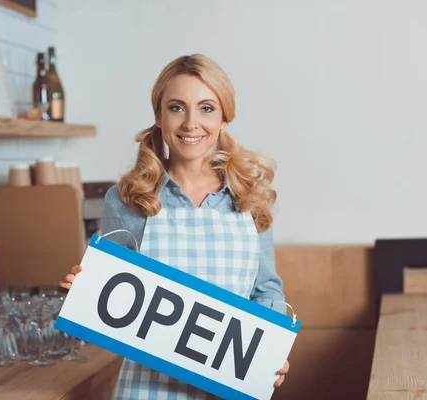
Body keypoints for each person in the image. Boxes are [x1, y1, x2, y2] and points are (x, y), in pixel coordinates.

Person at [60, 54, 289, 399]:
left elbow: (266, 292)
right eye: (177, 108)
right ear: (158, 115)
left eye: (207, 108)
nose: (191, 123)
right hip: (146, 390)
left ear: (225, 117)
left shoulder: (250, 198)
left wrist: (271, 350)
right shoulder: (127, 200)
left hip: (229, 390)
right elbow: (109, 307)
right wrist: (83, 292)